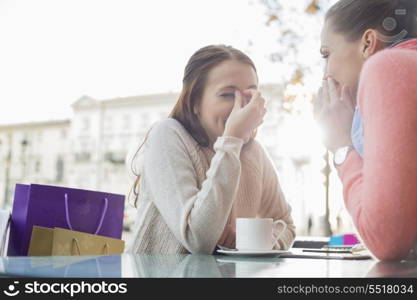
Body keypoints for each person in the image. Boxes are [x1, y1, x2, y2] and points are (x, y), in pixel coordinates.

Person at [126, 45, 296, 254]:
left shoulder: (254, 152)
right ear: (195, 102)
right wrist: (232, 139)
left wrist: (255, 242)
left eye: (249, 95)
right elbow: (198, 239)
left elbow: (286, 224)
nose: (241, 106)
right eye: (227, 95)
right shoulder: (167, 134)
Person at [314, 0, 417, 260]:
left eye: (327, 55)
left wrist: (340, 146)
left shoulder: (390, 66)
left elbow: (386, 239)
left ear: (368, 43)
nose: (325, 74)